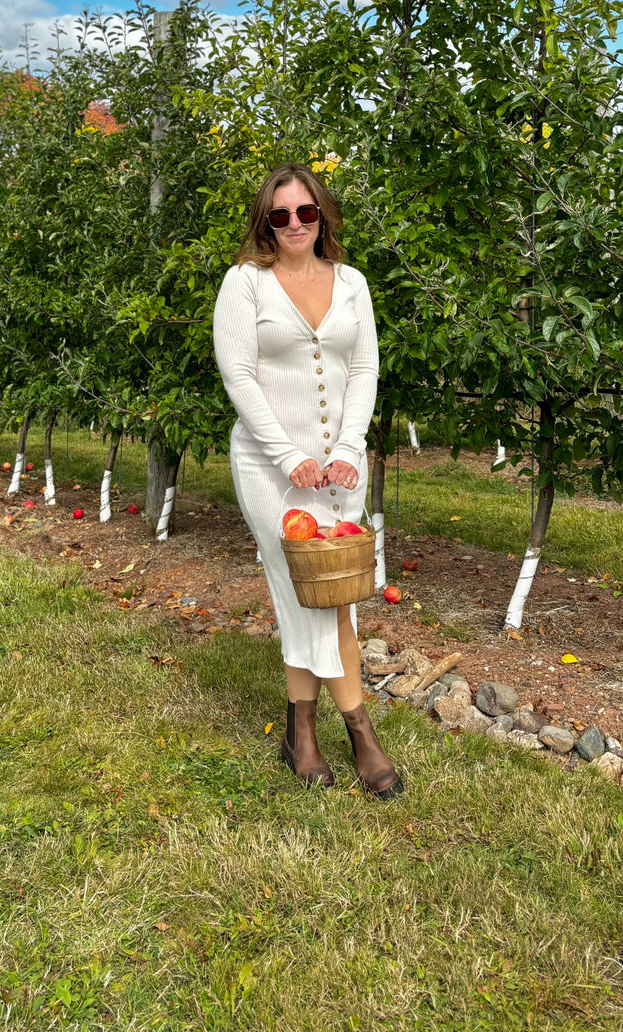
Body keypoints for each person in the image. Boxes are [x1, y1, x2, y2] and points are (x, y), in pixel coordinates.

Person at [212, 163, 402, 798]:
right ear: (266, 222)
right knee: (308, 596)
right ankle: (361, 732)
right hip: (272, 470)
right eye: (281, 215)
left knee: (332, 597)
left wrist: (349, 446)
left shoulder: (352, 284)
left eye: (306, 212)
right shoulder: (246, 284)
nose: (295, 224)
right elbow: (238, 375)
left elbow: (365, 369)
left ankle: (301, 732)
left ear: (323, 215)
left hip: (340, 471)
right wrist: (289, 455)